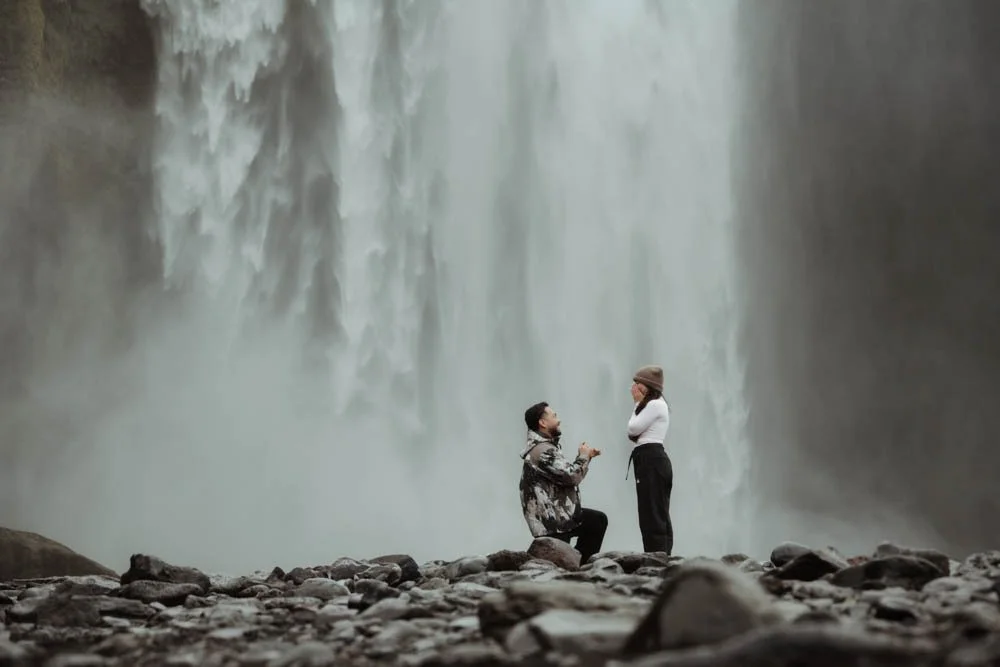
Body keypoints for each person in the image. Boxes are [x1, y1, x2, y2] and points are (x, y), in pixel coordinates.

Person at [519, 401, 608, 564]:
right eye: (554, 416)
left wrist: (586, 457)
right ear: (543, 422)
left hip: (558, 514)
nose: (558, 420)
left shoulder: (543, 448)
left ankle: (580, 567)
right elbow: (571, 477)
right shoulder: (543, 451)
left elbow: (564, 474)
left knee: (597, 521)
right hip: (552, 520)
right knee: (596, 522)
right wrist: (583, 456)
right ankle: (580, 568)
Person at [626, 365, 673, 554]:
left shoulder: (654, 405)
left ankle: (657, 555)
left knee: (651, 511)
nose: (633, 388)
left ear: (647, 387)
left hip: (650, 458)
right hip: (650, 458)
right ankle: (661, 554)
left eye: (637, 384)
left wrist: (637, 403)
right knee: (654, 508)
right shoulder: (655, 404)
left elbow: (632, 429)